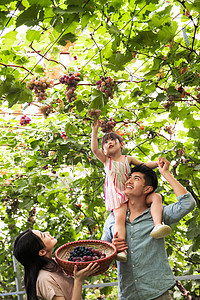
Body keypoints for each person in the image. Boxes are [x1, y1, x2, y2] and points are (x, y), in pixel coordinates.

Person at [101, 157, 196, 300]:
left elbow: (188, 203)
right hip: (128, 294)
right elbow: (101, 255)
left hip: (158, 292)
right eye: (129, 178)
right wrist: (112, 249)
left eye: (136, 178)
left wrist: (165, 173)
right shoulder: (113, 219)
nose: (129, 181)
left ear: (147, 189)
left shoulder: (159, 214)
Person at [91, 120, 171, 261]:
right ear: (104, 150)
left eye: (112, 140)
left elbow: (145, 166)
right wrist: (95, 131)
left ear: (121, 144)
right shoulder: (106, 161)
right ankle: (122, 251)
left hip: (133, 194)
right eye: (105, 142)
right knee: (120, 219)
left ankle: (158, 225)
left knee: (156, 197)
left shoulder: (128, 159)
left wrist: (158, 164)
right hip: (118, 195)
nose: (108, 142)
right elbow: (94, 150)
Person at [13, 229, 100, 300]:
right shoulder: (45, 280)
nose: (47, 233)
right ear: (42, 252)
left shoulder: (55, 264)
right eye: (43, 235)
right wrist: (79, 280)